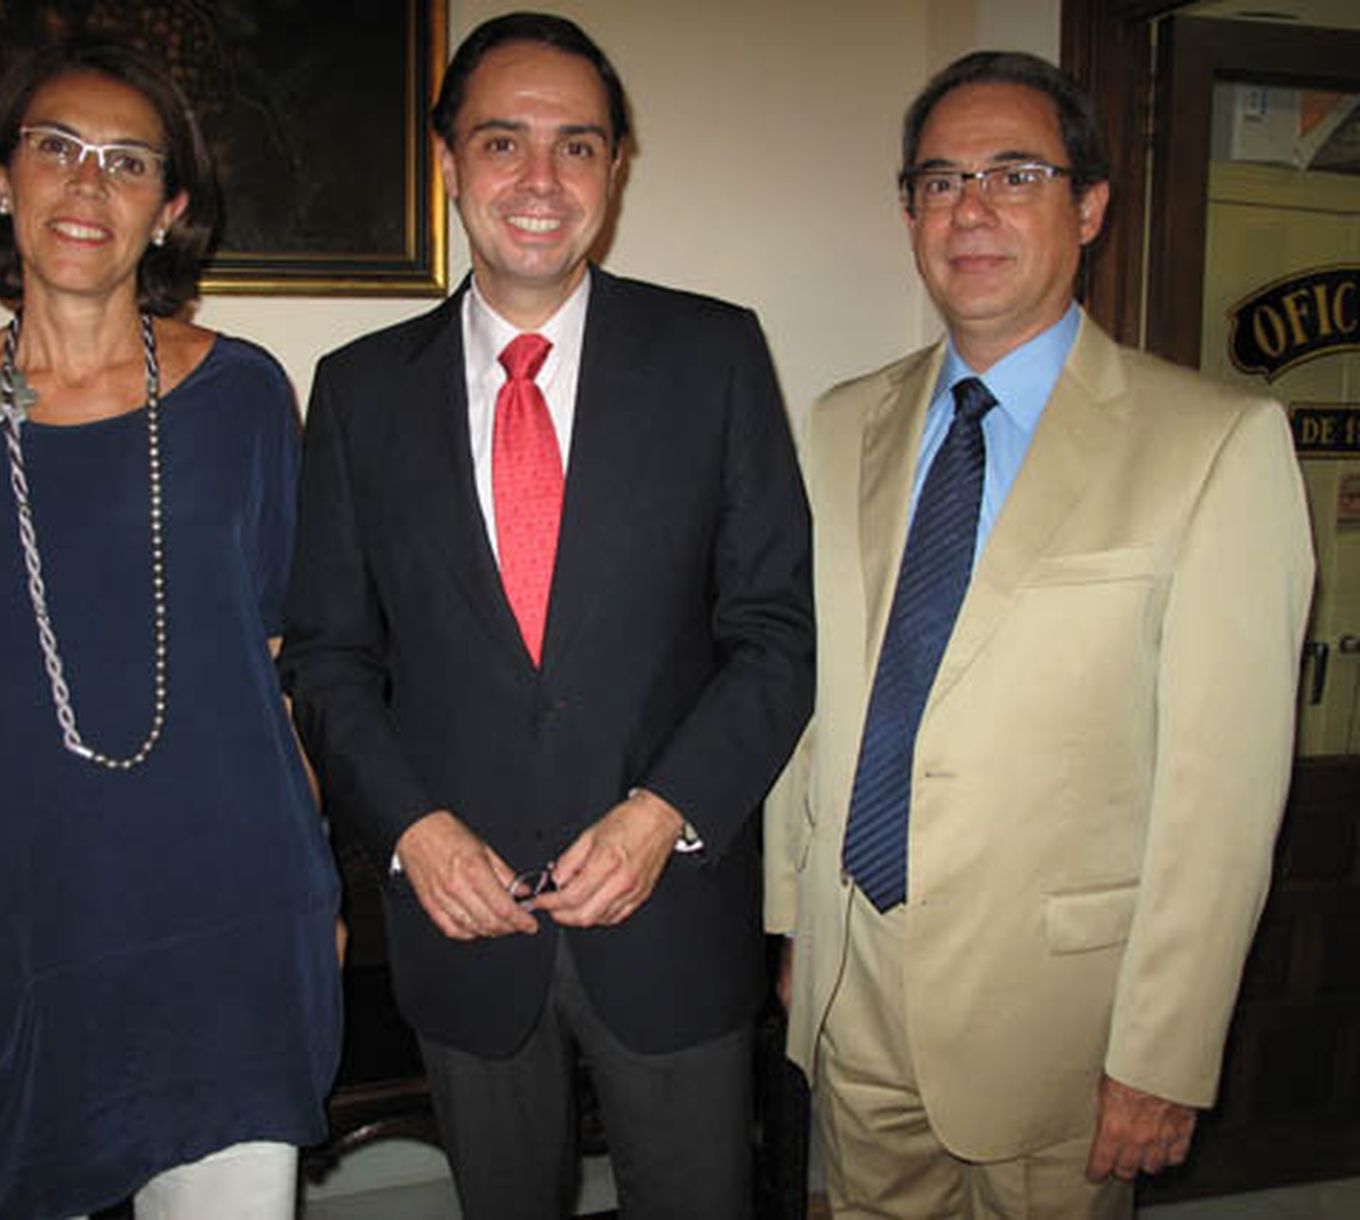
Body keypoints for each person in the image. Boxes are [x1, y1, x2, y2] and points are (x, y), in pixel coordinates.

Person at [764, 49, 1314, 1218]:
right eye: (940, 179)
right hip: (855, 982)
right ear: (909, 209)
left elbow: (1223, 794)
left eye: (1015, 174)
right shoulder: (839, 419)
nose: (970, 209)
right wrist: (794, 918)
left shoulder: (1214, 442)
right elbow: (818, 694)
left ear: (1091, 205)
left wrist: (1163, 1049)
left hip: (1063, 1017)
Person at [282, 12, 813, 1220]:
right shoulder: (360, 392)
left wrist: (664, 812)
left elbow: (775, 632)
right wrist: (413, 831)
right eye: (502, 141)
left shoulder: (715, 356)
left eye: (576, 146)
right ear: (450, 160)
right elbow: (330, 656)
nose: (538, 180)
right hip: (460, 926)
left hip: (671, 915)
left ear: (615, 169)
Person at [0, 41, 341, 1220]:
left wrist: (316, 891)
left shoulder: (246, 398)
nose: (85, 183)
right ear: (0, 179)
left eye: (125, 162)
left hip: (227, 939)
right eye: (55, 148)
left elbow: (282, 679)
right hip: (13, 955)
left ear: (168, 211)